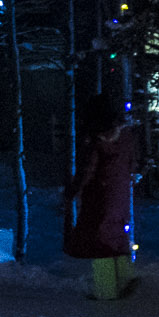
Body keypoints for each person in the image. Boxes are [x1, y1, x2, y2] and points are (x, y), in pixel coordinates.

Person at [62, 91, 139, 299]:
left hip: (99, 195)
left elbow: (88, 169)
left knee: (98, 240)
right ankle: (125, 277)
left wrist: (72, 191)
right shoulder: (126, 136)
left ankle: (106, 290)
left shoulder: (96, 140)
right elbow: (132, 163)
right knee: (116, 235)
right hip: (120, 193)